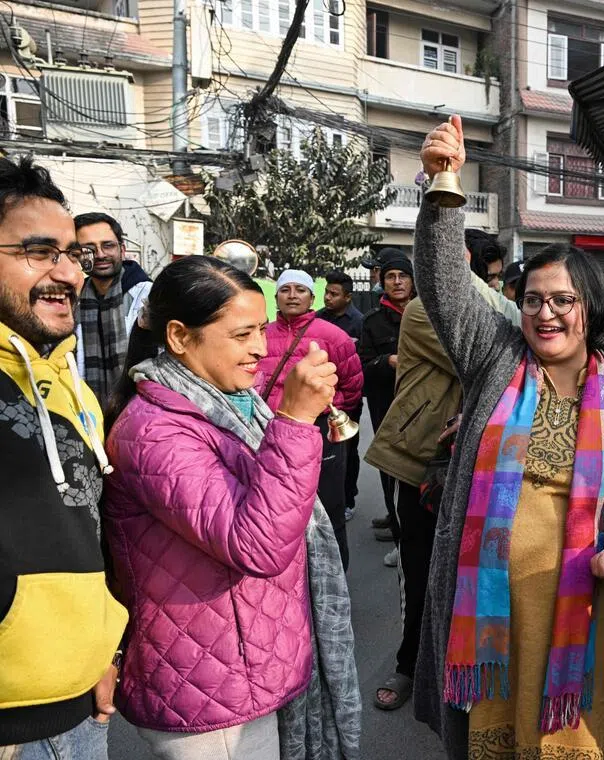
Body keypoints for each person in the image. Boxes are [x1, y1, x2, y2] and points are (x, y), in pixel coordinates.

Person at [413, 116, 604, 760]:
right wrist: (443, 184)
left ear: (589, 307)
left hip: (588, 616)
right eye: (533, 299)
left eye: (562, 300)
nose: (545, 313)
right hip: (491, 615)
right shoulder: (495, 363)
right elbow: (443, 285)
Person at [102, 256, 360, 760]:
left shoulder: (227, 403)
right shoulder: (155, 430)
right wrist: (295, 419)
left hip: (246, 662)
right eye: (242, 335)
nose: (261, 349)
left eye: (262, 330)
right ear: (179, 336)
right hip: (211, 689)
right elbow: (257, 543)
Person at [0, 156, 127, 758]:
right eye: (38, 251)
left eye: (71, 255)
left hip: (81, 706)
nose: (68, 273)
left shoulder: (71, 385)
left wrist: (100, 651)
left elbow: (84, 529)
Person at [363, 232, 519, 707]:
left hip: (481, 459)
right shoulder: (421, 310)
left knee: (474, 570)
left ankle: (464, 670)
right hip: (418, 457)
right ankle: (408, 664)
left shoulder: (494, 306)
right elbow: (488, 353)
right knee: (419, 567)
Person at [260, 269, 363, 571]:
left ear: (312, 297)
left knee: (328, 513)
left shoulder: (334, 337)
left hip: (319, 432)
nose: (292, 295)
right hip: (270, 431)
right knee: (277, 509)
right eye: (286, 289)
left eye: (300, 290)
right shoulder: (261, 335)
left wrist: (327, 408)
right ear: (276, 296)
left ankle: (335, 584)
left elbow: (353, 385)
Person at [358, 250, 415, 547]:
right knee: (390, 471)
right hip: (386, 407)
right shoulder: (372, 322)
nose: (397, 282)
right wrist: (387, 362)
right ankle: (398, 538)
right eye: (391, 276)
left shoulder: (426, 314)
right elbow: (363, 366)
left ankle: (416, 533)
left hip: (424, 409)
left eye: (402, 276)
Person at [74, 211, 152, 406]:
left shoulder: (148, 297)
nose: (100, 254)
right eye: (88, 249)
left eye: (107, 245)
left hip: (138, 408)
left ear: (122, 249)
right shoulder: (72, 300)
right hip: (86, 409)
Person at [317, 270, 365, 521]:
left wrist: (351, 401)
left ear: (348, 297)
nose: (328, 298)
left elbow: (360, 365)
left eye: (334, 294)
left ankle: (348, 498)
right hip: (321, 398)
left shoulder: (358, 322)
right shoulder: (318, 319)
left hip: (346, 399)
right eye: (327, 292)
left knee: (347, 450)